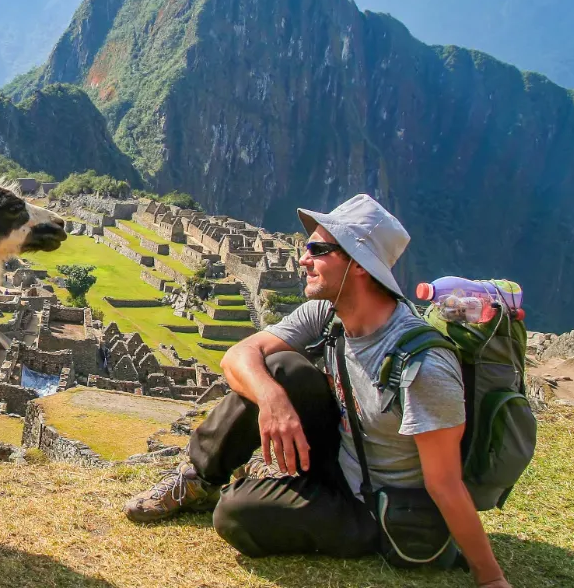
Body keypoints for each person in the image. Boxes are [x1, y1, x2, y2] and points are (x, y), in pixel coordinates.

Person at [123, 194, 511, 588]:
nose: (304, 258)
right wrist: (273, 401)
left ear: (359, 266)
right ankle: (197, 479)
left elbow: (444, 484)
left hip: (376, 506)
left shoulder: (422, 365)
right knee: (277, 369)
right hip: (338, 458)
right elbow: (238, 356)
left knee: (236, 514)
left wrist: (490, 576)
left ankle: (263, 487)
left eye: (318, 249)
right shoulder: (329, 313)